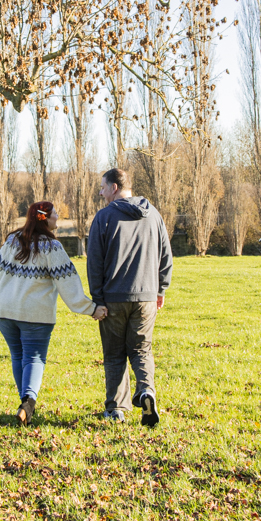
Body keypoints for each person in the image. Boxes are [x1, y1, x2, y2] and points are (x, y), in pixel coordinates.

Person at [0, 200, 107, 425]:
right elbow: (68, 283)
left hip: (3, 311)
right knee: (33, 357)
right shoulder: (52, 247)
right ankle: (29, 403)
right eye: (54, 214)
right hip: (34, 314)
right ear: (45, 218)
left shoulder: (12, 240)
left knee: (18, 356)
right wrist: (91, 309)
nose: (58, 217)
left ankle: (25, 406)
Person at [86, 168, 172, 426]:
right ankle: (147, 391)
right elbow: (166, 256)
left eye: (102, 187)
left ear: (114, 187)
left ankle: (116, 409)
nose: (100, 192)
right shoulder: (154, 214)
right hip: (146, 297)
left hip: (113, 298)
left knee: (114, 354)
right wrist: (160, 289)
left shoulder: (104, 218)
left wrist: (97, 299)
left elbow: (95, 263)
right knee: (141, 350)